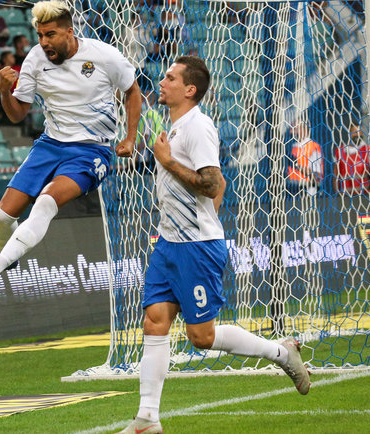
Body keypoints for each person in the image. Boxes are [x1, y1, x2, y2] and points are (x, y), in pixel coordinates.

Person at [117, 57, 310, 434]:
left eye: (170, 78)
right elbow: (216, 189)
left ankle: (281, 352)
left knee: (201, 338)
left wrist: (168, 163)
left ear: (190, 89)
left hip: (196, 247)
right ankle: (147, 419)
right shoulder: (175, 127)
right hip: (168, 243)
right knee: (154, 322)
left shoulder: (198, 126)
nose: (162, 81)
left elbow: (212, 183)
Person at [0, 0, 141, 287]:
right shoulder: (35, 59)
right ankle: (9, 256)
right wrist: (4, 91)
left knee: (46, 201)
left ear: (69, 32)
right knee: (1, 218)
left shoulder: (103, 55)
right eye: (40, 35)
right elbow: (17, 114)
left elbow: (133, 91)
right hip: (49, 145)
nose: (44, 42)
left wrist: (130, 137)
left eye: (50, 34)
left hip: (91, 150)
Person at [287, 121, 323, 195]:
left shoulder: (313, 147)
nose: (291, 132)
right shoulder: (292, 148)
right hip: (291, 190)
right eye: (291, 129)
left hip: (307, 191)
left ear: (304, 130)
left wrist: (296, 165)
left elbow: (316, 176)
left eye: (294, 129)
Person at [334, 122, 370, 194]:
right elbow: (335, 174)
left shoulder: (367, 150)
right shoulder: (340, 151)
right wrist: (337, 193)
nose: (358, 135)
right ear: (350, 134)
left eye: (360, 132)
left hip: (364, 194)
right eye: (355, 132)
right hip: (345, 195)